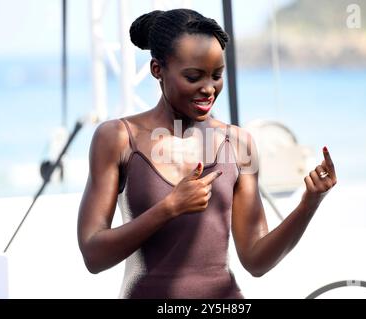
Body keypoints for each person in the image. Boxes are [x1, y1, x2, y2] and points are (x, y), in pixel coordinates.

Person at [77, 8, 337, 299]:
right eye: (193, 76)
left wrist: (309, 205)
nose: (209, 89)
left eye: (217, 75)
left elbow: (256, 260)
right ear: (157, 70)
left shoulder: (238, 144)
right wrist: (169, 208)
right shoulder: (117, 138)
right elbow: (93, 255)